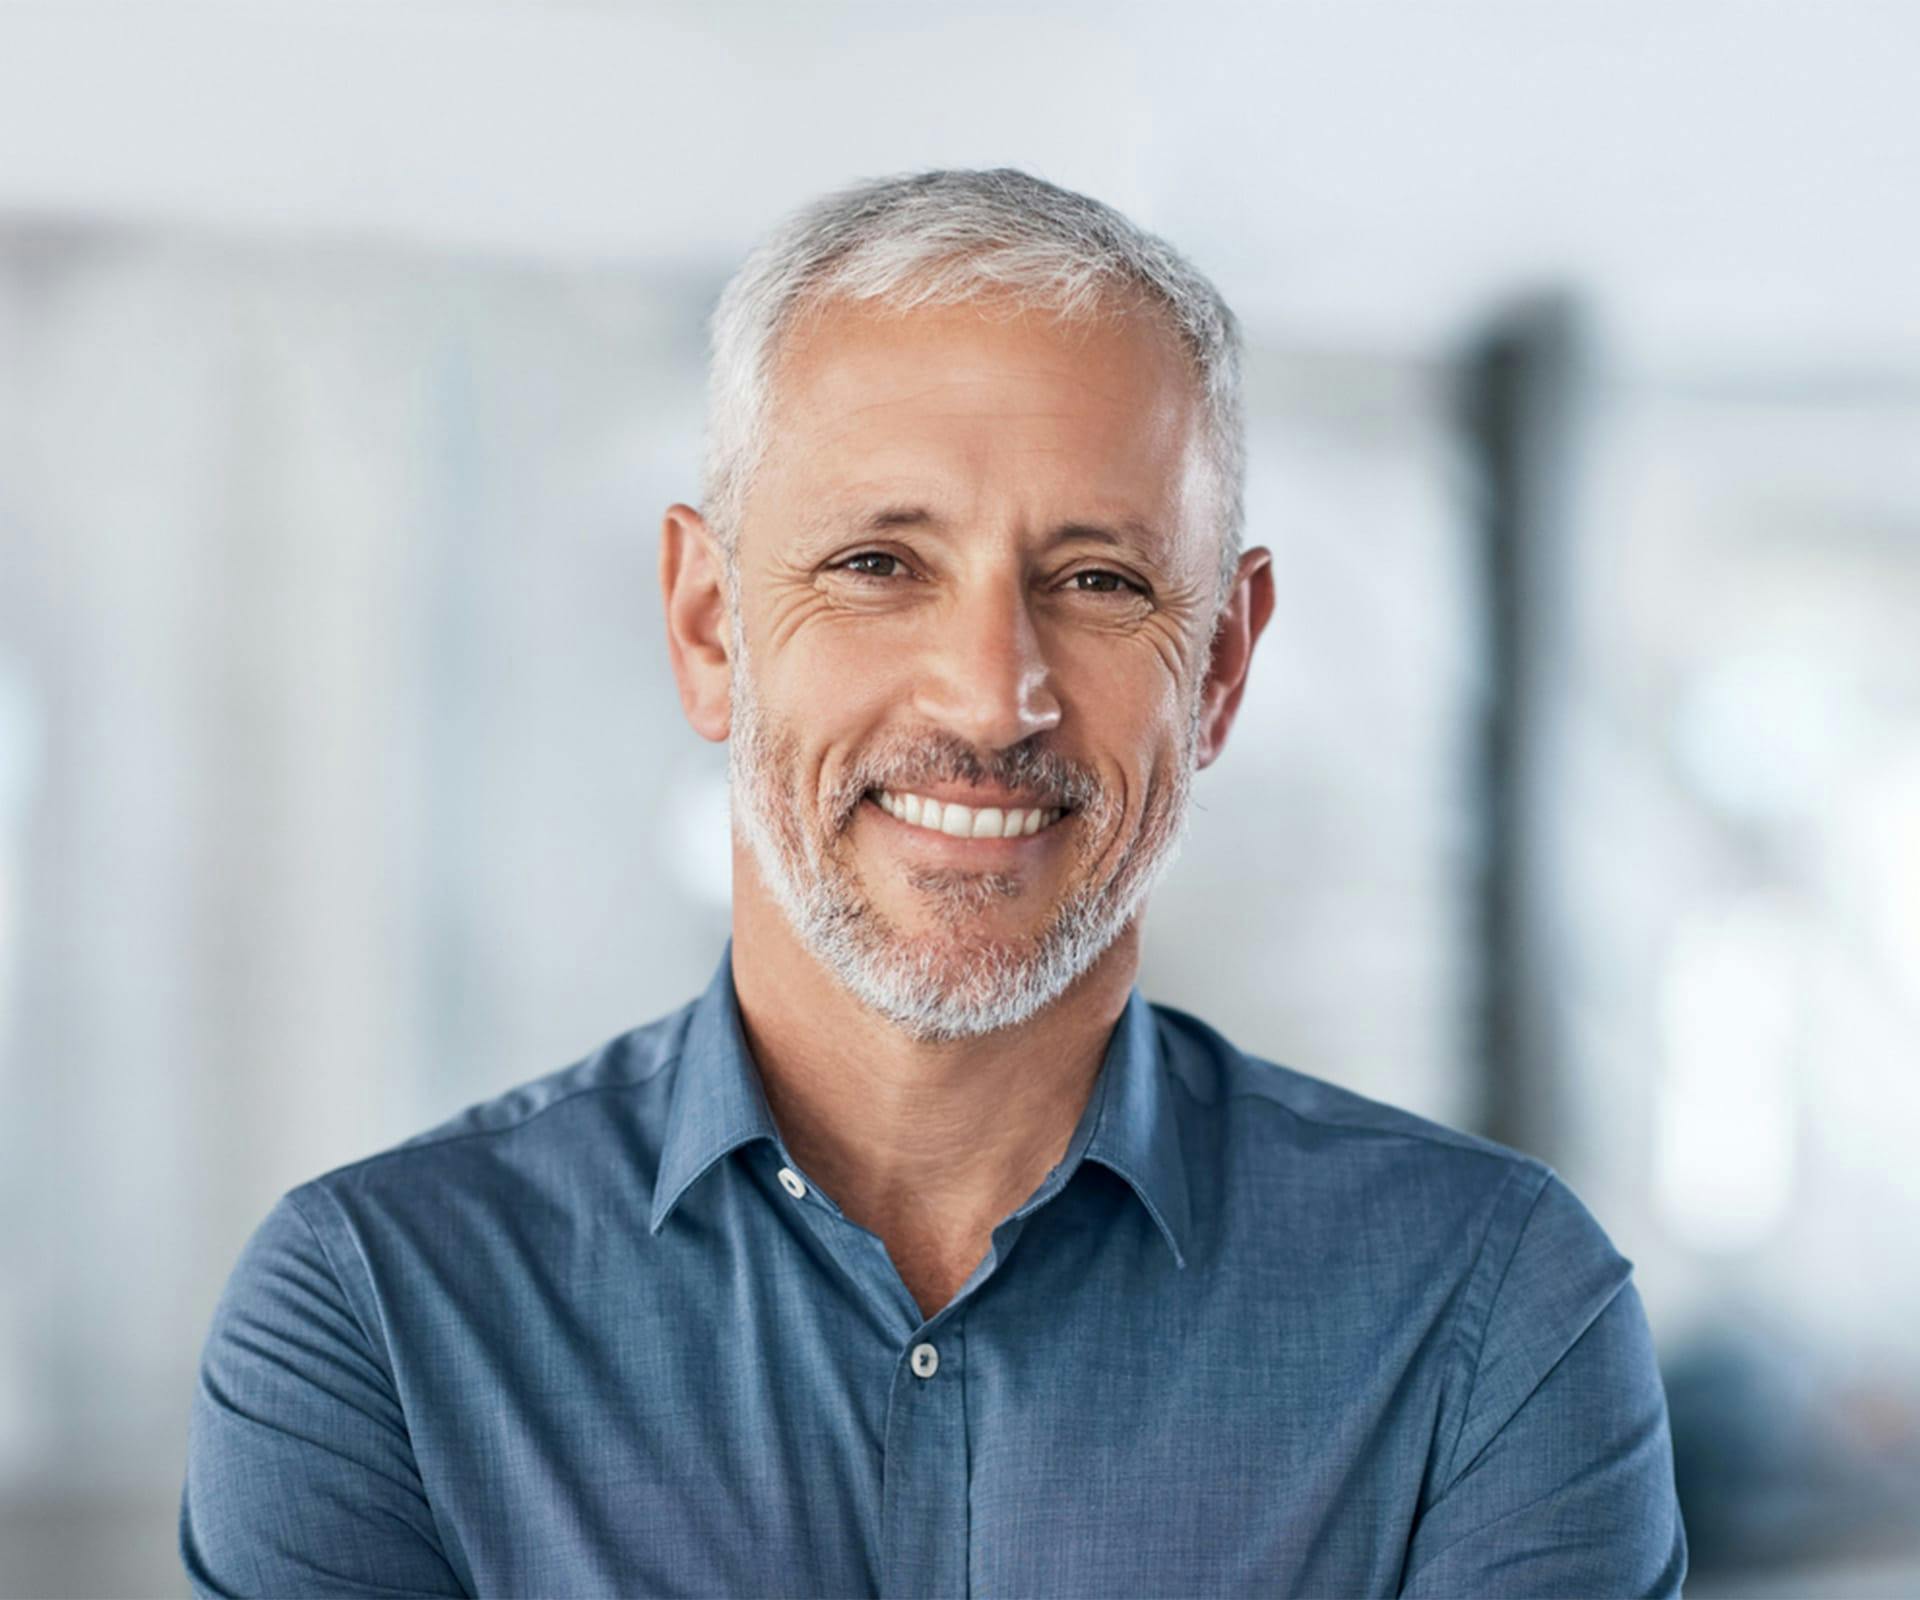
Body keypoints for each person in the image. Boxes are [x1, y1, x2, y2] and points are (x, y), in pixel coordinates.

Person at [180, 168, 1687, 1598]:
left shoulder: (1490, 1318)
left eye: (1098, 580)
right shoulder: (379, 1316)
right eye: (878, 566)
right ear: (711, 628)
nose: (989, 700)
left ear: (1220, 666)